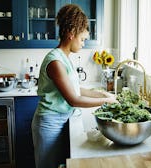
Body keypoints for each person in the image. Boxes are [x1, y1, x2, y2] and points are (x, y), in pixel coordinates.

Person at [31, 4, 118, 168]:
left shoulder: (65, 58)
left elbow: (77, 90)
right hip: (50, 124)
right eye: (82, 39)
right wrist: (106, 102)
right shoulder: (55, 61)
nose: (84, 43)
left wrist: (104, 95)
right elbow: (74, 99)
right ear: (71, 34)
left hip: (63, 120)